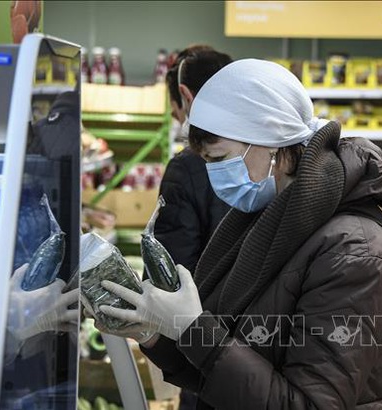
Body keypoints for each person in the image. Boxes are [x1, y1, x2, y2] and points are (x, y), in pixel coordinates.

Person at [96, 59, 382, 409]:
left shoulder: (355, 252)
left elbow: (309, 403)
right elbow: (223, 370)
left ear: (271, 143)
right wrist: (152, 334)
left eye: (220, 158)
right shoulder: (267, 217)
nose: (213, 175)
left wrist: (194, 330)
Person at [157, 45, 232, 410]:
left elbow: (173, 277)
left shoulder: (186, 168)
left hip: (207, 352)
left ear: (185, 98)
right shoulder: (278, 161)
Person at [155, 45, 231, 275]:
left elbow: (170, 273)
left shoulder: (186, 167)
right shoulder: (269, 155)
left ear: (186, 97)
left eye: (174, 108)